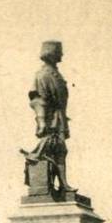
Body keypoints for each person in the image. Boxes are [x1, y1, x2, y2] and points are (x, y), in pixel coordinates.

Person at [23, 40, 74, 192]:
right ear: (52, 53)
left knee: (59, 151)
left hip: (58, 118)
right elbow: (38, 100)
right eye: (59, 51)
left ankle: (63, 184)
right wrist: (42, 122)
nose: (62, 54)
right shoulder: (43, 75)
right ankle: (62, 184)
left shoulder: (56, 75)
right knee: (57, 150)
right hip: (50, 119)